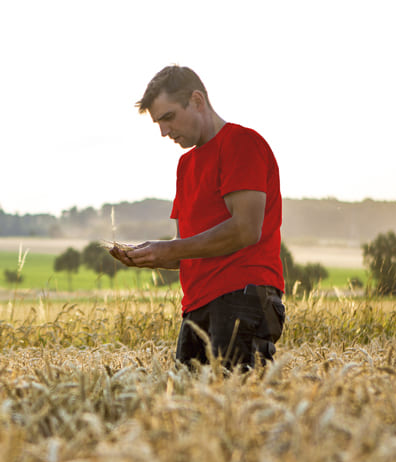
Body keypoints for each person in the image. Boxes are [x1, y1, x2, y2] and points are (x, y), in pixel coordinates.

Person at [110, 65, 286, 371]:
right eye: (158, 123)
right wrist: (150, 256)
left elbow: (246, 230)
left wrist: (170, 248)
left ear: (197, 100)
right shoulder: (185, 165)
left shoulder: (241, 143)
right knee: (190, 399)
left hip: (243, 296)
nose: (164, 132)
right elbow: (189, 247)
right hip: (196, 305)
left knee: (236, 396)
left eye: (169, 117)